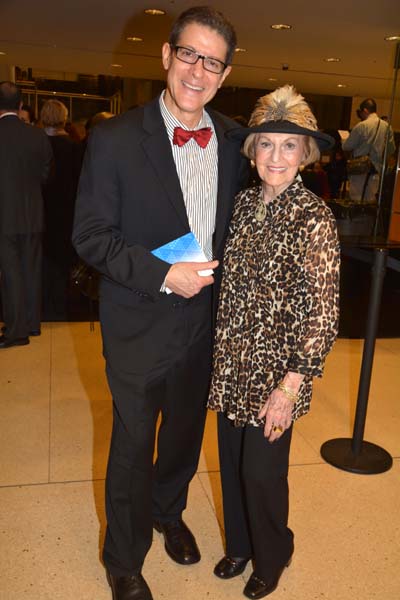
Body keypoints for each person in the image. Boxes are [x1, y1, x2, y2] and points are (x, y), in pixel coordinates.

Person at [72, 6, 248, 600]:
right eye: (190, 55)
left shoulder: (233, 137)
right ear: (168, 56)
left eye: (213, 62)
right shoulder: (116, 138)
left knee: (181, 440)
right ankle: (123, 560)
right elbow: (90, 235)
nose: (199, 71)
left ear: (225, 73)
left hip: (206, 325)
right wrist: (163, 275)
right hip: (138, 320)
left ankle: (168, 513)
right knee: (132, 443)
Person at [208, 85, 340, 599]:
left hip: (276, 376)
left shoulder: (314, 217)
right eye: (267, 145)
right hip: (232, 366)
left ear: (305, 155)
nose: (277, 157)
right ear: (253, 151)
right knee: (233, 463)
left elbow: (323, 312)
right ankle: (240, 545)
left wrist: (290, 387)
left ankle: (273, 551)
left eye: (290, 146)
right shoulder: (242, 205)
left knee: (262, 475)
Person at [0, 81, 53, 348]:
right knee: (31, 271)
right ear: (20, 105)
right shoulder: (37, 136)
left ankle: (16, 332)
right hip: (33, 213)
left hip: (3, 217)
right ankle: (32, 324)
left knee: (10, 275)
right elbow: (45, 175)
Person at [40, 99, 82, 319]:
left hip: (39, 212)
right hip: (66, 213)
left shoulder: (36, 145)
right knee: (60, 267)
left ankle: (42, 309)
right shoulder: (74, 148)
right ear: (64, 119)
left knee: (41, 265)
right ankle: (59, 311)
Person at [343, 98, 395, 203]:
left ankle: (357, 219)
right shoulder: (386, 126)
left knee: (356, 199)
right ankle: (367, 219)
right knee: (370, 200)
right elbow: (391, 149)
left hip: (359, 169)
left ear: (365, 110)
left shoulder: (362, 126)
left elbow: (347, 146)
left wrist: (344, 140)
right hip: (375, 170)